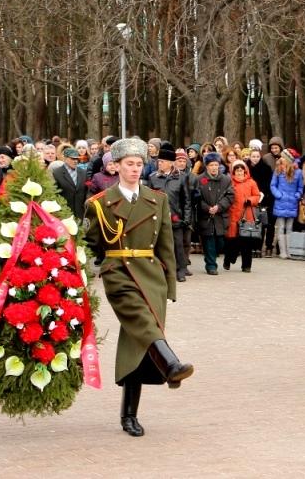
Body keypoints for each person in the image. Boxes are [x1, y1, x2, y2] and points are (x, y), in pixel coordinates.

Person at [83, 137, 194, 437]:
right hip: (119, 273)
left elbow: (166, 247)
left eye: (138, 164)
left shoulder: (157, 200)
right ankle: (171, 363)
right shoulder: (100, 203)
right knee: (145, 324)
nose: (134, 169)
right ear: (115, 166)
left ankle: (129, 414)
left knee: (137, 344)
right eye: (129, 164)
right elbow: (87, 244)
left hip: (151, 275)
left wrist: (170, 285)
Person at [148, 146, 192, 282]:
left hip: (175, 217)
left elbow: (186, 200)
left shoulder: (181, 178)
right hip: (158, 218)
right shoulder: (152, 177)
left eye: (162, 161)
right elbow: (148, 199)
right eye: (158, 161)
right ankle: (160, 270)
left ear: (171, 163)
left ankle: (180, 270)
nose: (159, 163)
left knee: (178, 245)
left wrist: (186, 219)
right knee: (159, 245)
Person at [194, 152, 234, 275]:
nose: (214, 167)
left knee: (220, 242)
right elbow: (196, 197)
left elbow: (230, 196)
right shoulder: (200, 179)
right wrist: (206, 208)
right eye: (211, 165)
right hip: (206, 217)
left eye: (216, 164)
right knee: (209, 241)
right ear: (206, 166)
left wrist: (219, 207)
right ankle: (211, 265)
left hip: (221, 216)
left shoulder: (226, 179)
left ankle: (212, 258)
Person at [223, 160, 261, 272]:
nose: (239, 172)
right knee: (232, 241)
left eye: (241, 170)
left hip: (247, 216)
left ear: (245, 170)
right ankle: (228, 259)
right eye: (237, 170)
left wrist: (250, 200)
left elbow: (257, 196)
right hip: (233, 215)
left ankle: (246, 266)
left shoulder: (251, 182)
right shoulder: (229, 182)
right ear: (233, 172)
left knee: (246, 242)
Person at [271, 149, 303, 259]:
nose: (282, 158)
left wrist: (297, 196)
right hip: (280, 202)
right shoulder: (278, 170)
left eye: (284, 157)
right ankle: (283, 252)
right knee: (280, 227)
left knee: (290, 227)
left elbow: (300, 187)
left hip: (292, 203)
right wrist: (278, 195)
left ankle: (290, 251)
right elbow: (273, 185)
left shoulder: (298, 172)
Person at [247, 148, 274, 257]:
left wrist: (262, 194)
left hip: (263, 198)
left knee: (260, 224)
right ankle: (250, 247)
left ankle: (258, 247)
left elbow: (268, 184)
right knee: (250, 223)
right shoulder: (246, 168)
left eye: (257, 156)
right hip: (249, 198)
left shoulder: (266, 168)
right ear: (250, 157)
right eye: (253, 156)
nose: (255, 159)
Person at [52, 148, 88, 220]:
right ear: (65, 158)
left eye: (77, 159)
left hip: (80, 214)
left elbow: (87, 191)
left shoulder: (83, 173)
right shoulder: (57, 173)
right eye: (72, 159)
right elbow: (54, 194)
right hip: (64, 213)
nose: (75, 161)